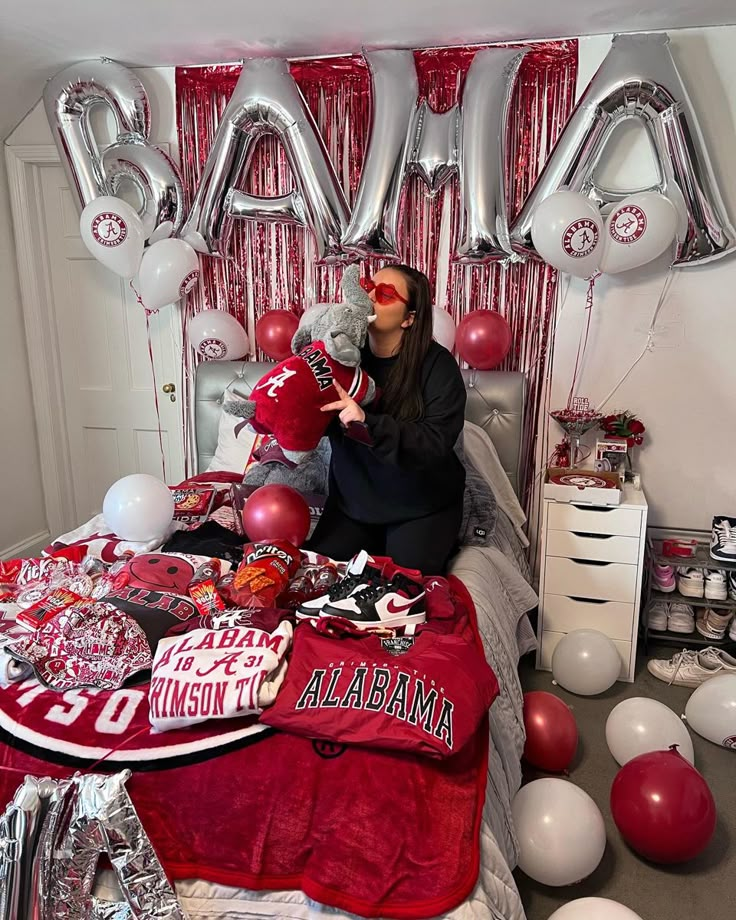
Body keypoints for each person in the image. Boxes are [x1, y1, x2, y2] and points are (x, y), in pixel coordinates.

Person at [307, 264, 467, 575]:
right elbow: (313, 417)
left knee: (406, 584)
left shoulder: (438, 367)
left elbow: (434, 442)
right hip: (354, 503)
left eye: (385, 294)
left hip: (421, 505)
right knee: (317, 576)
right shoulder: (341, 357)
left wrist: (367, 420)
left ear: (409, 318)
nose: (369, 297)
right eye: (369, 287)